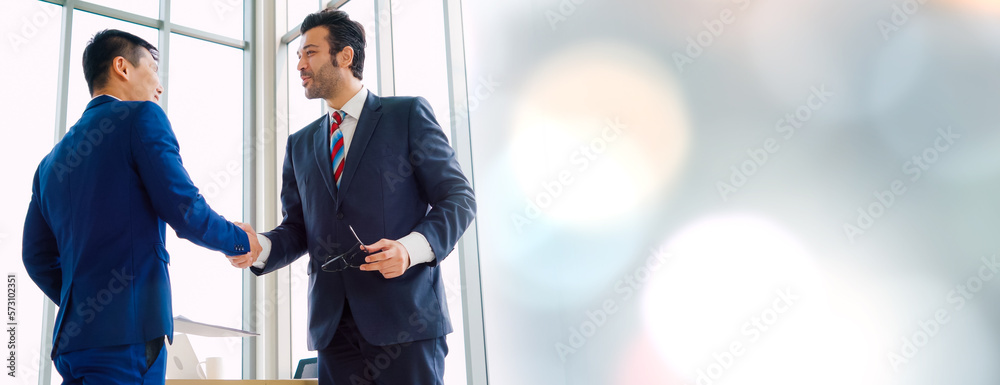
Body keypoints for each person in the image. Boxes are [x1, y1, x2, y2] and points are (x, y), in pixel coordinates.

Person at [243, 9, 476, 385]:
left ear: (345, 56)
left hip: (406, 322)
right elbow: (299, 228)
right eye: (299, 54)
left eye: (310, 53)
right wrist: (262, 247)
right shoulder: (300, 144)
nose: (299, 63)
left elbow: (458, 198)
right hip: (333, 330)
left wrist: (409, 249)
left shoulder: (407, 115)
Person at [21, 29, 261, 385]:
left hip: (73, 344)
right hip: (126, 343)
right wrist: (241, 241)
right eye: (153, 68)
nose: (159, 87)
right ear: (122, 67)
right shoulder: (140, 118)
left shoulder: (49, 163)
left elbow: (35, 257)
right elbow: (184, 209)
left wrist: (89, 305)